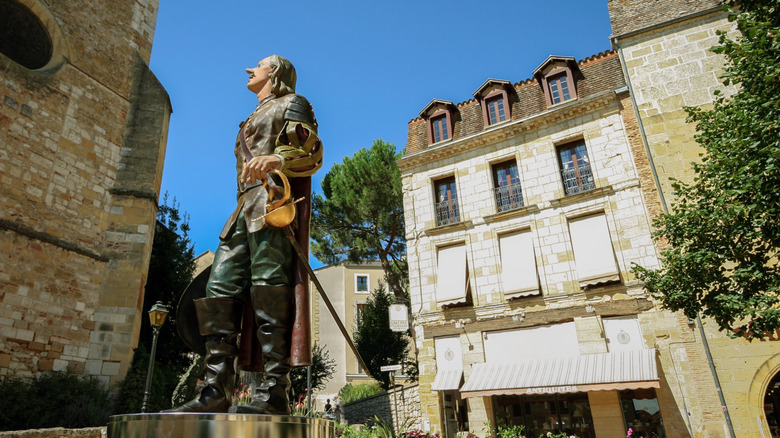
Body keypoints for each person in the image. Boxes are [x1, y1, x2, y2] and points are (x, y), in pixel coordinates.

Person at [167, 55, 323, 415]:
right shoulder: (250, 118)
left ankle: (274, 393)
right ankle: (215, 391)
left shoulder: (292, 103)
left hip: (271, 209)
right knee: (218, 290)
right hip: (241, 212)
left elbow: (312, 151)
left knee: (269, 287)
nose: (250, 69)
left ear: (276, 73)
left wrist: (277, 160)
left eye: (259, 64)